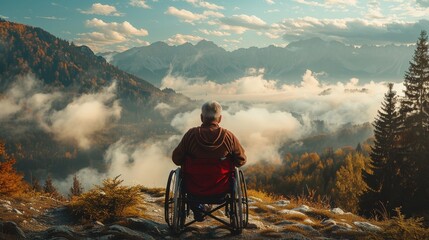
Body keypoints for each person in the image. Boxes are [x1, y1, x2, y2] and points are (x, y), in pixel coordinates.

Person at [172, 100, 246, 221]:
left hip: (193, 189)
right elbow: (241, 160)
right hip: (221, 190)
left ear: (202, 117)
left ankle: (198, 206)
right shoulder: (229, 137)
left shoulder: (190, 135)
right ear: (220, 118)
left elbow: (176, 159)